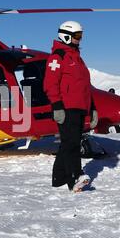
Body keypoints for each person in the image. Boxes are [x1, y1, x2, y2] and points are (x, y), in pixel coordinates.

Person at [43, 21, 98, 192]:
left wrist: (93, 108)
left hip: (80, 107)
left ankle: (59, 178)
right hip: (66, 107)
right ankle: (75, 177)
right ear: (66, 35)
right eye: (76, 36)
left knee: (68, 143)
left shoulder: (77, 57)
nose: (79, 40)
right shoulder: (57, 57)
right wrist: (57, 106)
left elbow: (84, 86)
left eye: (80, 36)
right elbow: (50, 84)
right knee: (72, 143)